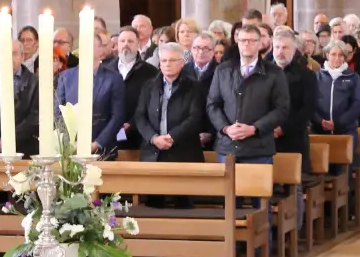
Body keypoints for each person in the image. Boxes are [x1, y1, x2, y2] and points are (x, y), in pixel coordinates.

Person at [207, 24, 290, 163]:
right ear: (237, 43)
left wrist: (254, 129)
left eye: (252, 40)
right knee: (225, 186)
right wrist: (226, 128)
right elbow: (212, 105)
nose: (247, 44)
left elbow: (281, 109)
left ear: (259, 44)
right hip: (227, 147)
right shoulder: (223, 71)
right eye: (243, 40)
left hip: (258, 148)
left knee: (256, 186)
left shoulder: (274, 73)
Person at [56, 29, 126, 156]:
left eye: (91, 45)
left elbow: (117, 116)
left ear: (101, 50)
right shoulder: (65, 77)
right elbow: (58, 112)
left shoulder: (113, 78)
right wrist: (69, 141)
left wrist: (97, 143)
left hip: (102, 151)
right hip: (70, 150)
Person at [134, 43, 205, 163]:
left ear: (182, 63)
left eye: (172, 60)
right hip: (152, 153)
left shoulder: (194, 86)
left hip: (184, 153)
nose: (167, 64)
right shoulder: (149, 86)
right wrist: (153, 138)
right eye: (164, 60)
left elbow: (195, 117)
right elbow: (140, 116)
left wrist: (172, 137)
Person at [103, 27, 160, 149]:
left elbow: (152, 103)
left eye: (130, 41)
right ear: (117, 44)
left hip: (139, 137)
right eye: (122, 41)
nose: (126, 45)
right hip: (108, 135)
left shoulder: (151, 72)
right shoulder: (106, 69)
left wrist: (132, 124)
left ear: (138, 44)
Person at [271, 28, 316, 158]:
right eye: (277, 47)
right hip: (267, 139)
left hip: (294, 139)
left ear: (294, 50)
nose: (280, 52)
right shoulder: (263, 73)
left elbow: (308, 109)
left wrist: (284, 128)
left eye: (285, 48)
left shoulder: (306, 75)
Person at [314, 38, 360, 147]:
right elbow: (309, 103)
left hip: (346, 131)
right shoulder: (316, 77)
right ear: (327, 55)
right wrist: (320, 121)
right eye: (333, 54)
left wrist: (338, 123)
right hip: (320, 131)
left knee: (344, 163)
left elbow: (357, 103)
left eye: (341, 55)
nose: (337, 58)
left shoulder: (353, 77)